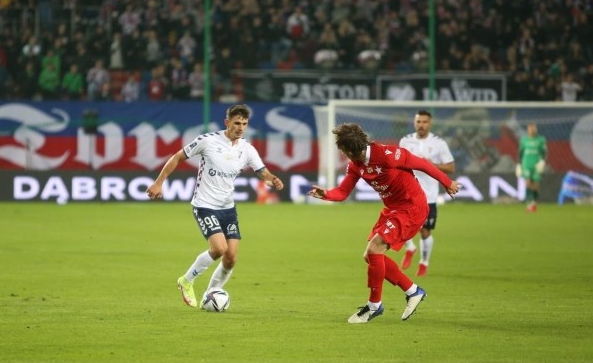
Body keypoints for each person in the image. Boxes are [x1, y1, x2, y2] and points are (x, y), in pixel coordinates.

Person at [307, 123, 460, 323]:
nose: (343, 154)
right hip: (393, 209)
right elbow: (343, 192)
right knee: (369, 256)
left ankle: (374, 305)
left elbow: (422, 164)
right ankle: (413, 291)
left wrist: (448, 183)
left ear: (351, 150)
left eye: (343, 150)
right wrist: (326, 193)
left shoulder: (388, 154)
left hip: (412, 207)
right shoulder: (356, 164)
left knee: (374, 249)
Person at [147, 104, 284, 308]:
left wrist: (273, 179)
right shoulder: (208, 141)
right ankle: (186, 280)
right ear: (227, 122)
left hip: (227, 208)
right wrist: (159, 182)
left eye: (244, 124)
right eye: (236, 123)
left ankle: (211, 294)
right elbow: (177, 157)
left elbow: (262, 172)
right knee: (219, 249)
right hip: (204, 205)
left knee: (230, 259)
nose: (240, 127)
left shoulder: (247, 149)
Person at [397, 109, 455, 277]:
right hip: (406, 193)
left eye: (424, 122)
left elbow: (451, 167)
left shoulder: (439, 143)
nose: (421, 125)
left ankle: (424, 262)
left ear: (430, 124)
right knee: (400, 224)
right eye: (418, 122)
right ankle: (410, 248)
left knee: (424, 231)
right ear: (415, 123)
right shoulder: (405, 141)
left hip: (428, 195)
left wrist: (431, 165)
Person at [517, 122, 547, 212]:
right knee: (528, 183)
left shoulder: (541, 140)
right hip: (526, 164)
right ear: (527, 130)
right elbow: (520, 153)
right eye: (530, 128)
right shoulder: (524, 140)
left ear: (536, 129)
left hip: (536, 165)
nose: (532, 130)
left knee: (536, 185)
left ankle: (534, 202)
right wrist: (519, 164)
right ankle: (530, 203)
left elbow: (544, 152)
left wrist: (542, 161)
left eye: (533, 128)